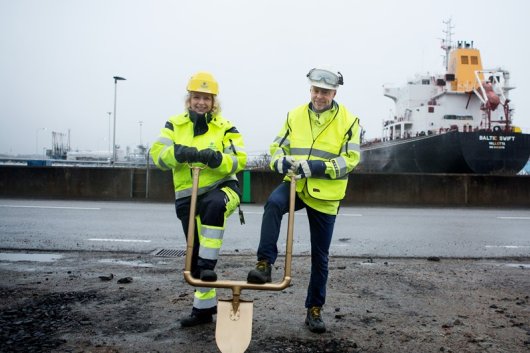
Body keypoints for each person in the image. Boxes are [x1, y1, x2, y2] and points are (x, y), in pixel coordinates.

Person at [247, 67, 361, 333]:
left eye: (325, 92)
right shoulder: (294, 115)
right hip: (296, 185)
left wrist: (319, 168)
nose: (319, 96)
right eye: (315, 91)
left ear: (334, 93)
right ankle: (264, 264)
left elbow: (352, 160)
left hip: (326, 195)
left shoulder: (349, 121)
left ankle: (314, 309)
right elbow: (276, 149)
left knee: (319, 257)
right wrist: (281, 162)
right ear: (310, 90)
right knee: (273, 203)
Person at [150, 71, 247, 327]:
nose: (201, 102)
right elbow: (157, 155)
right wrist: (178, 153)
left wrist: (218, 160)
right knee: (193, 264)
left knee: (214, 206)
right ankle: (203, 310)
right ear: (188, 99)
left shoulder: (226, 127)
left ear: (214, 101)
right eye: (196, 97)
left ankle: (208, 263)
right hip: (187, 196)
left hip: (223, 188)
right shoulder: (174, 124)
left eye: (206, 98)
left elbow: (240, 159)